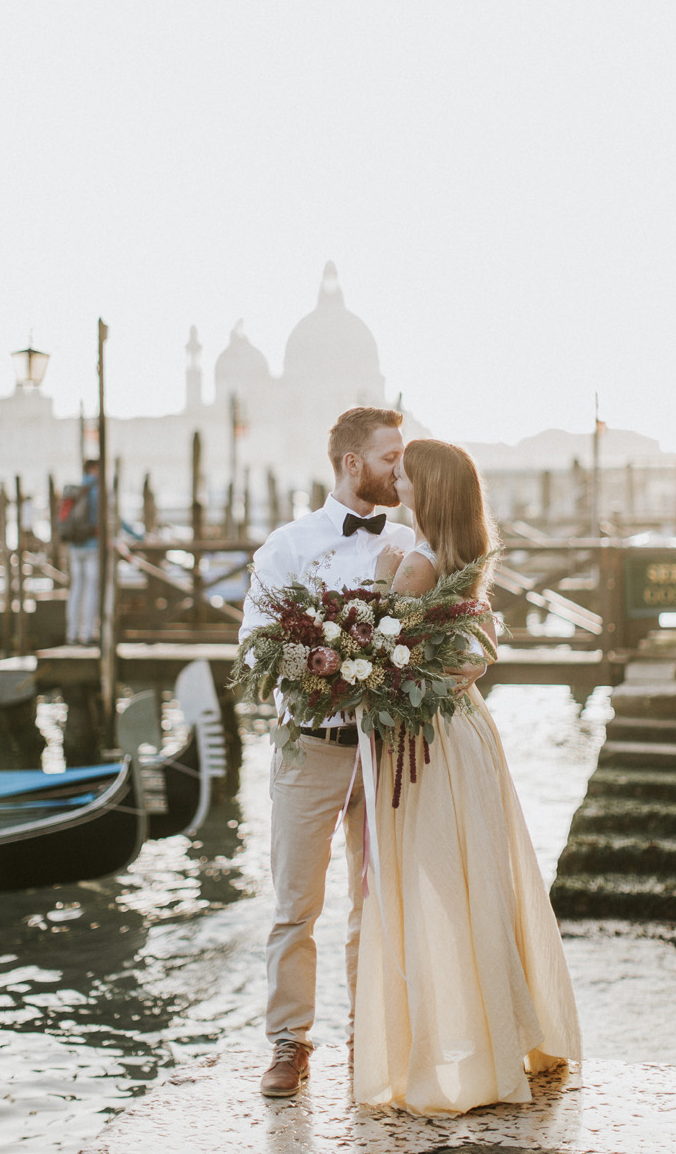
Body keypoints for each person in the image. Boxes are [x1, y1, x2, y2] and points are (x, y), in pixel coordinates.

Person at [353, 438, 582, 1116]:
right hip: (467, 730)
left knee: (430, 889)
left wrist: (380, 577)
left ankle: (457, 1051)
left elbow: (371, 653)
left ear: (429, 489)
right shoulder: (463, 558)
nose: (395, 482)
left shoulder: (415, 565)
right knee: (478, 880)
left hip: (425, 745)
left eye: (404, 476)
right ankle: (500, 1033)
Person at [239, 407, 415, 1098]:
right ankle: (289, 1042)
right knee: (295, 904)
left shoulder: (407, 539)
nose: (399, 469)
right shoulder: (286, 545)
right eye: (389, 457)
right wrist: (315, 658)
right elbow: (253, 644)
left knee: (373, 901)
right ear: (352, 463)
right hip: (308, 747)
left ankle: (366, 1032)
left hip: (384, 747)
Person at [65, 459, 100, 646]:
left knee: (76, 589)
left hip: (74, 547)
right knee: (91, 590)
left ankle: (71, 633)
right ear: (95, 469)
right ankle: (87, 633)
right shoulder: (97, 491)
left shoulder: (76, 490)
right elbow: (111, 519)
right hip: (92, 547)